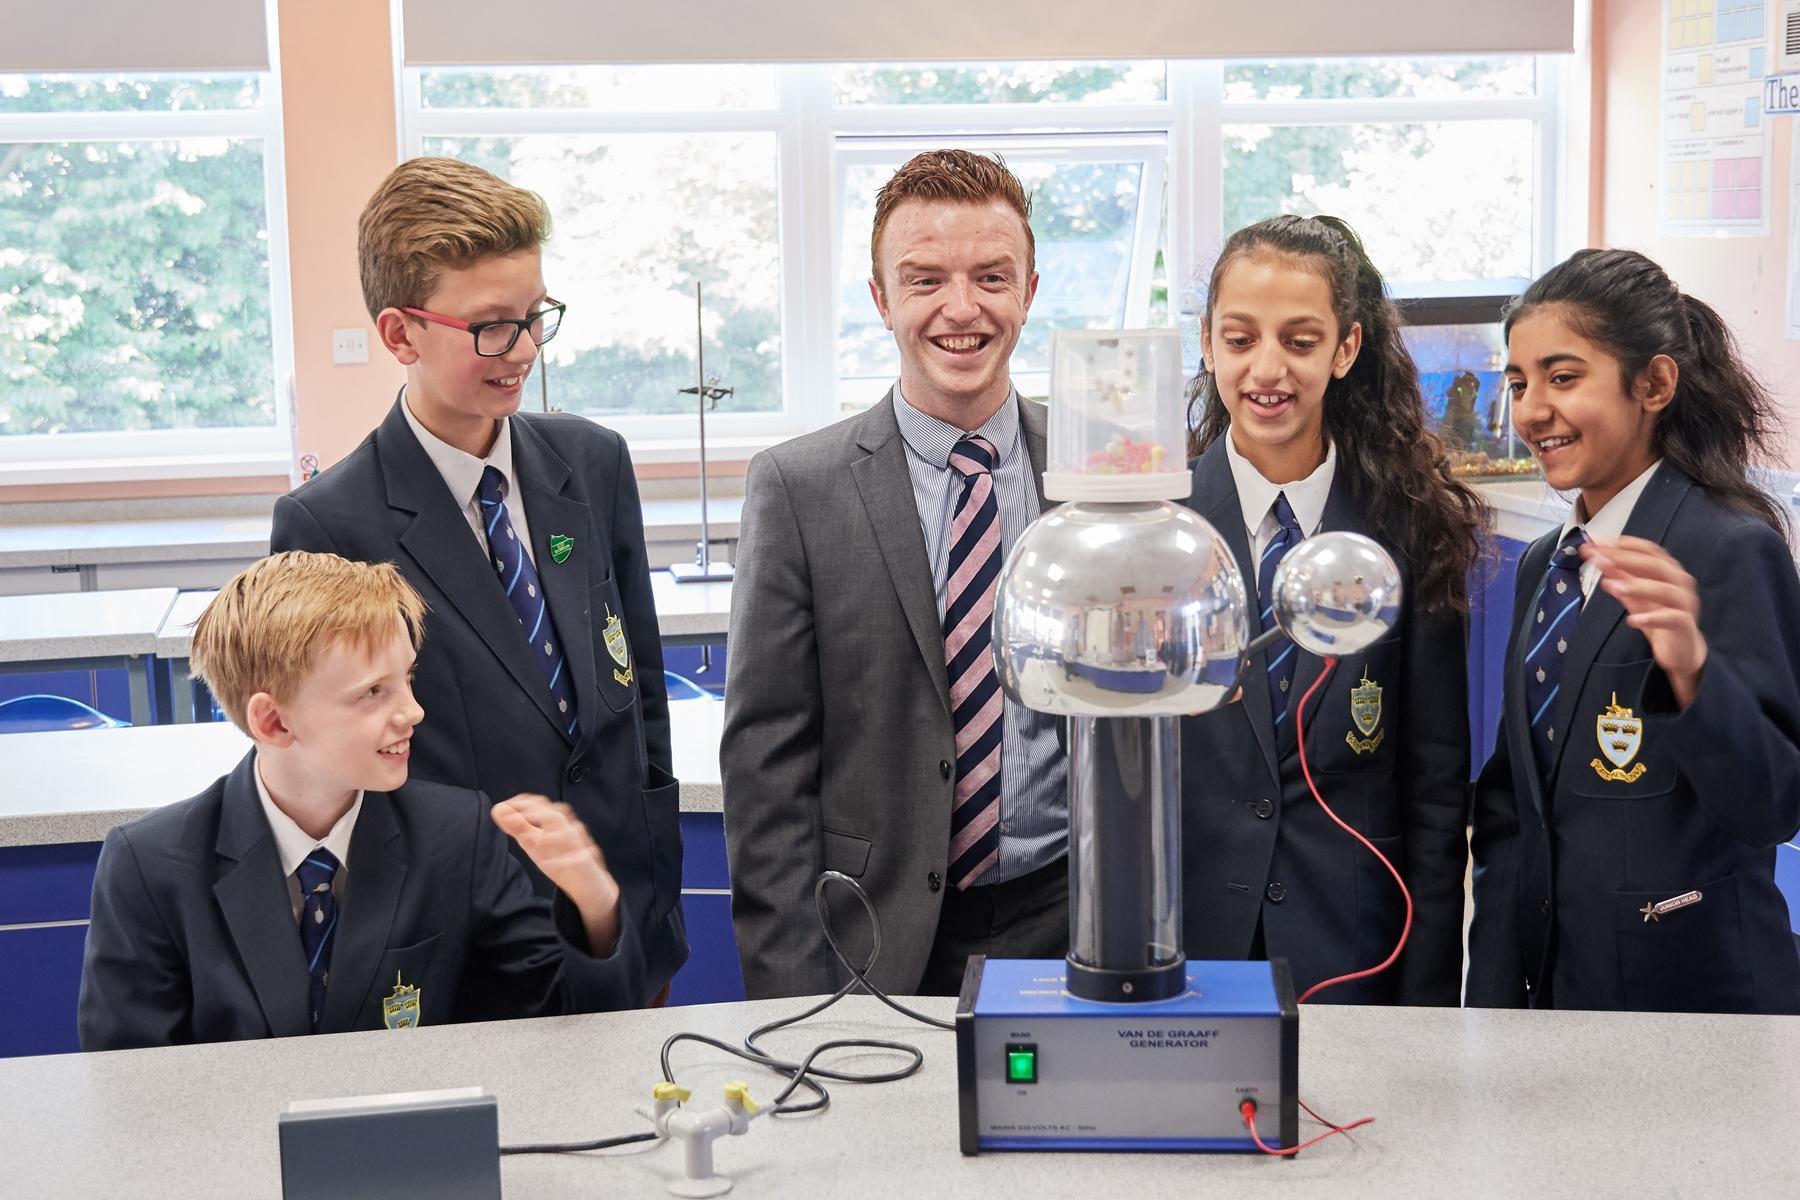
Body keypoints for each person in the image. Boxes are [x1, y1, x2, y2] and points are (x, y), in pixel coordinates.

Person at [270, 157, 683, 1005]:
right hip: (461, 947)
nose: (523, 349)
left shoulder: (592, 463)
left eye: (535, 317)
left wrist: (650, 907)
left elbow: (639, 689)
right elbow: (336, 774)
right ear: (400, 335)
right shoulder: (330, 525)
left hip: (621, 918)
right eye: (491, 327)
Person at [723, 149, 1069, 999]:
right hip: (877, 938)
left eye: (992, 277)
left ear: (1029, 290)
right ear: (881, 299)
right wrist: (795, 993)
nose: (963, 308)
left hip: (1075, 921)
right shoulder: (799, 488)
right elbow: (767, 769)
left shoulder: (1095, 472)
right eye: (925, 280)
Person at [78, 552, 641, 1049]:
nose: (414, 711)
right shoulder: (151, 868)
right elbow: (135, 1086)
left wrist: (596, 904)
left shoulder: (456, 835)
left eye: (407, 679)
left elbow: (560, 1026)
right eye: (374, 692)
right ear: (274, 722)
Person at [1467, 248, 1800, 1013]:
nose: (1531, 411)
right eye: (1518, 384)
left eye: (1562, 377)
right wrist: (1492, 999)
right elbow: (1515, 805)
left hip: (1694, 1002)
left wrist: (1693, 674)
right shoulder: (1548, 565)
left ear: (1653, 385)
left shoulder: (1730, 549)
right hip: (1556, 996)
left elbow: (1773, 805)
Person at [1180, 214, 1483, 1004]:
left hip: (1353, 952)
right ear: (1207, 343)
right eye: (1240, 339)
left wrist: (1426, 999)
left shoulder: (1409, 529)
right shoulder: (1159, 525)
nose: (1267, 368)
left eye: (1300, 340)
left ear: (1345, 349)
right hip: (1188, 949)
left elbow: (1435, 788)